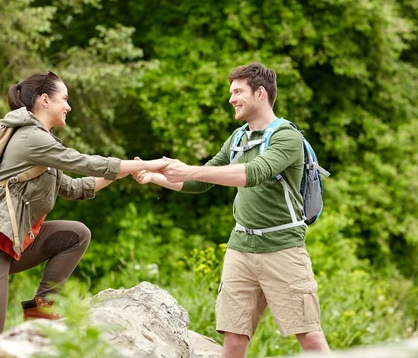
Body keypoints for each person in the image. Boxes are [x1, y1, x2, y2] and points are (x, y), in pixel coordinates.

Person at [133, 63, 330, 357]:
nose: (231, 99)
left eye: (238, 91)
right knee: (234, 340)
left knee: (309, 337)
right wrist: (156, 178)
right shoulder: (238, 138)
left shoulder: (287, 137)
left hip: (283, 248)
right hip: (241, 248)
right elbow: (200, 182)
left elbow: (252, 173)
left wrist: (190, 170)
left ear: (260, 93)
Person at [0, 70, 168, 338]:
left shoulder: (41, 146)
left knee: (75, 235)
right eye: (64, 99)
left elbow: (75, 187)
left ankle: (41, 309)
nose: (68, 106)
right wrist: (149, 164)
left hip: (8, 243)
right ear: (45, 100)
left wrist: (128, 169)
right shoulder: (31, 138)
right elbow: (83, 162)